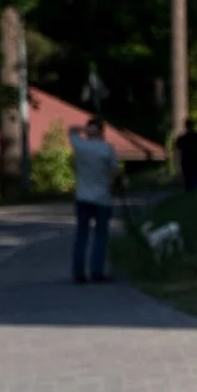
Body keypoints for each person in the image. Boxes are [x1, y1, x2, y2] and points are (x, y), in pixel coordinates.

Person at [70, 116, 120, 285]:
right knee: (100, 236)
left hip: (82, 197)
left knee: (81, 236)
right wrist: (113, 187)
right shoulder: (107, 149)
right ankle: (97, 271)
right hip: (102, 198)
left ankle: (78, 273)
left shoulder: (79, 145)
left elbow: (71, 130)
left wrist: (84, 130)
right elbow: (114, 171)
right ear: (102, 131)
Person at [175, 119, 197, 193]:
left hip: (187, 165)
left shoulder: (182, 139)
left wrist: (178, 167)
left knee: (189, 187)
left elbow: (177, 153)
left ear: (185, 126)